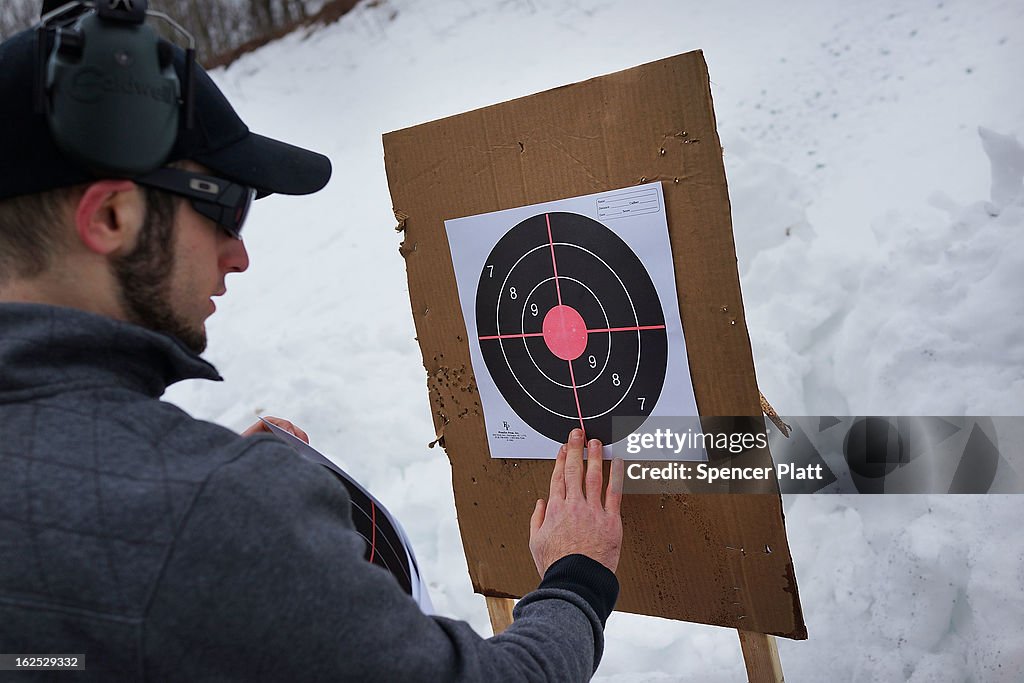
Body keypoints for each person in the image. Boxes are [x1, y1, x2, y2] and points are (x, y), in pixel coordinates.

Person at [0, 3, 625, 681]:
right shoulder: (213, 512)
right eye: (224, 205)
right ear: (113, 215)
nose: (237, 254)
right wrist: (577, 577)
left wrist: (180, 514)